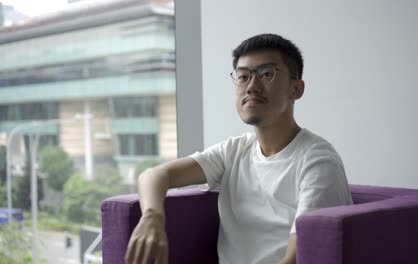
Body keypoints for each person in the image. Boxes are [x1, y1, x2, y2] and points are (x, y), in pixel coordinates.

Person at [124, 33, 353, 264]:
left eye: (267, 74)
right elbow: (154, 175)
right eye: (243, 77)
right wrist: (152, 218)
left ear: (296, 89)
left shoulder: (318, 161)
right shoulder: (235, 151)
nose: (252, 86)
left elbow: (298, 258)